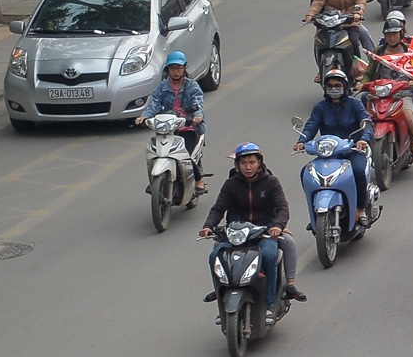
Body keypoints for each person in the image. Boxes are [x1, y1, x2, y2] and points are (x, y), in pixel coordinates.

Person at [200, 143, 303, 305]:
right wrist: (208, 226)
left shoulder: (271, 183)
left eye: (252, 162)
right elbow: (218, 209)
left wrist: (278, 226)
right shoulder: (230, 185)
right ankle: (221, 294)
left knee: (269, 255)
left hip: (264, 233)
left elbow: (283, 208)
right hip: (236, 234)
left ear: (259, 163)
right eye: (243, 163)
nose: (248, 167)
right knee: (215, 256)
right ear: (237, 165)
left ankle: (272, 302)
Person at [296, 69, 376, 217]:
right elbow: (311, 125)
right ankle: (315, 209)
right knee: (305, 173)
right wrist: (302, 141)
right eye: (330, 86)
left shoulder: (355, 105)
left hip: (352, 151)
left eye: (337, 85)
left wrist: (363, 140)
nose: (334, 89)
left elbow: (367, 124)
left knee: (358, 171)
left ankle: (360, 209)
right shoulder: (320, 107)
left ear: (344, 86)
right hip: (328, 155)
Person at [139, 51, 208, 202]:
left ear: (185, 68)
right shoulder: (162, 87)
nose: (175, 71)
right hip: (167, 127)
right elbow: (155, 103)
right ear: (167, 70)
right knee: (155, 153)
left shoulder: (192, 86)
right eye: (172, 68)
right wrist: (144, 116)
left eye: (178, 68)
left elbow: (198, 103)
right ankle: (155, 181)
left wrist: (198, 117)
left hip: (188, 127)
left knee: (187, 156)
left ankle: (198, 180)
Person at [363, 11, 413, 151]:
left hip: (404, 92)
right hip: (381, 92)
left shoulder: (410, 51)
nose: (391, 37)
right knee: (365, 107)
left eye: (394, 34)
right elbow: (369, 72)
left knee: (409, 116)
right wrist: (363, 83)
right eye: (388, 34)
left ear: (401, 34)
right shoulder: (379, 51)